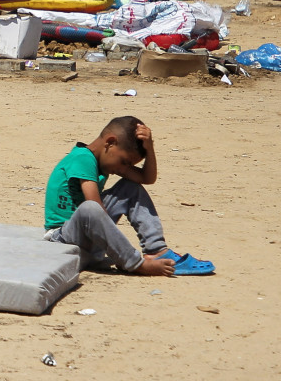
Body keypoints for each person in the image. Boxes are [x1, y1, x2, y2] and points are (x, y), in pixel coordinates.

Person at [43, 116, 214, 276]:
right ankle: (135, 264)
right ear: (110, 142)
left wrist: (150, 147)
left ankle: (156, 251)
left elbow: (147, 178)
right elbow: (94, 208)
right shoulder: (83, 158)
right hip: (63, 238)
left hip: (88, 237)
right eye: (124, 162)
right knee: (91, 208)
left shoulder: (105, 160)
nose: (124, 168)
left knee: (131, 188)